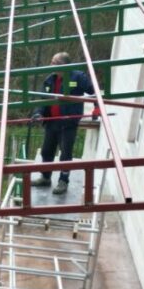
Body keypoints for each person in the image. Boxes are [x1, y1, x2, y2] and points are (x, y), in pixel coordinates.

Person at [30, 51, 96, 195]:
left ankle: (63, 181)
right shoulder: (50, 79)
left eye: (55, 62)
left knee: (65, 153)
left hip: (68, 123)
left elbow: (94, 91)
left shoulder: (78, 77)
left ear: (64, 65)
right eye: (52, 61)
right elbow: (43, 100)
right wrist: (38, 113)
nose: (51, 65)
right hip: (51, 122)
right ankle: (46, 177)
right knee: (47, 151)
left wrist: (97, 109)